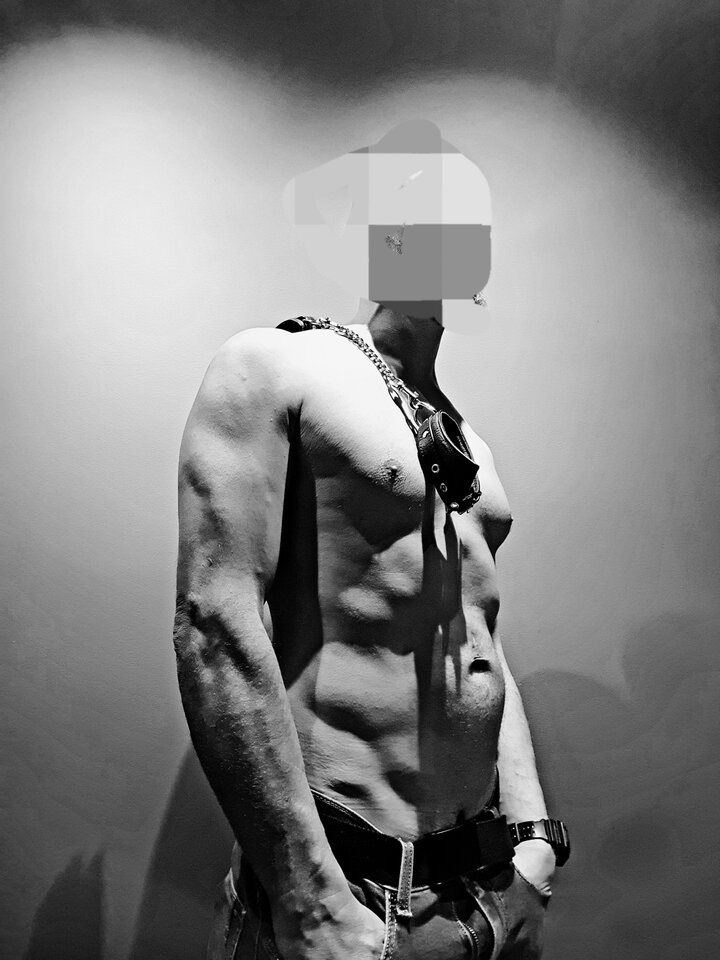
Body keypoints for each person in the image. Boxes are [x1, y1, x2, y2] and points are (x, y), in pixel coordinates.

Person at [173, 121, 569, 960]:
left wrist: (532, 840)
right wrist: (307, 897)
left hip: (478, 893)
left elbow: (481, 640)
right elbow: (214, 625)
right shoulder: (277, 366)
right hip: (347, 895)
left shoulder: (469, 440)